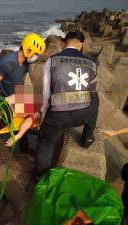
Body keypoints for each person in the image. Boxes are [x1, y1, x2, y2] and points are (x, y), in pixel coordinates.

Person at [34, 30, 99, 180]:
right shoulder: (91, 64)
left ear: (63, 44)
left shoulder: (52, 60)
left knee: (45, 143)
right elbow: (91, 89)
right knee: (95, 98)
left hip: (58, 118)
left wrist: (44, 116)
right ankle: (87, 138)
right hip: (83, 116)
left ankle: (40, 176)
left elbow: (46, 93)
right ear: (80, 45)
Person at [0, 33, 46, 161]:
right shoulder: (7, 63)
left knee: (27, 115)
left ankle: (24, 148)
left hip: (15, 92)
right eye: (35, 54)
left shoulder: (26, 63)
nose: (36, 57)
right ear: (28, 50)